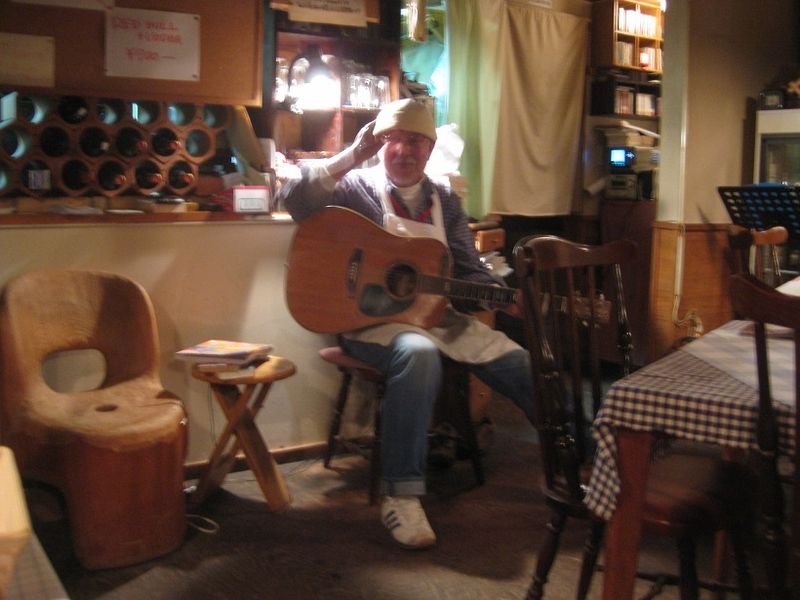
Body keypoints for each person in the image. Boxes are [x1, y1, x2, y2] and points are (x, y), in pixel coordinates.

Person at [279, 98, 535, 550]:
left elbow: (466, 271)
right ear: (380, 144)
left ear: (430, 148)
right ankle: (401, 496)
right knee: (419, 353)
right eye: (393, 139)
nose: (403, 150)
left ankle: (593, 457)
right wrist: (350, 156)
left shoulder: (445, 201)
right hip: (368, 324)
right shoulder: (354, 186)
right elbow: (294, 200)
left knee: (521, 363)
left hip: (436, 318)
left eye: (415, 140)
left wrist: (500, 295)